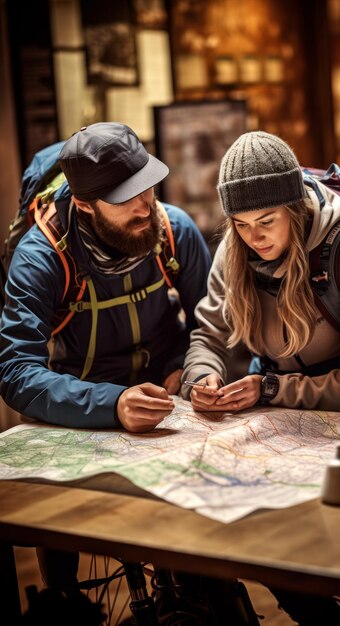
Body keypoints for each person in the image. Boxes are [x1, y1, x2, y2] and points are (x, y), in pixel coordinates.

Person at [181, 131, 340, 625]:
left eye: (266, 222)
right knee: (264, 540)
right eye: (239, 224)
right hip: (281, 415)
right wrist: (202, 378)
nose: (253, 238)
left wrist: (271, 388)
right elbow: (207, 336)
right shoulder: (233, 254)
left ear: (296, 208)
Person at [0, 122, 212, 598]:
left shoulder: (173, 231)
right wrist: (113, 404)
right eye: (124, 197)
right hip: (78, 405)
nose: (145, 205)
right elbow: (16, 373)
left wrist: (192, 368)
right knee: (62, 576)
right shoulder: (42, 259)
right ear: (83, 205)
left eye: (147, 185)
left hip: (167, 399)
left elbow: (215, 325)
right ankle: (62, 596)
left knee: (205, 568)